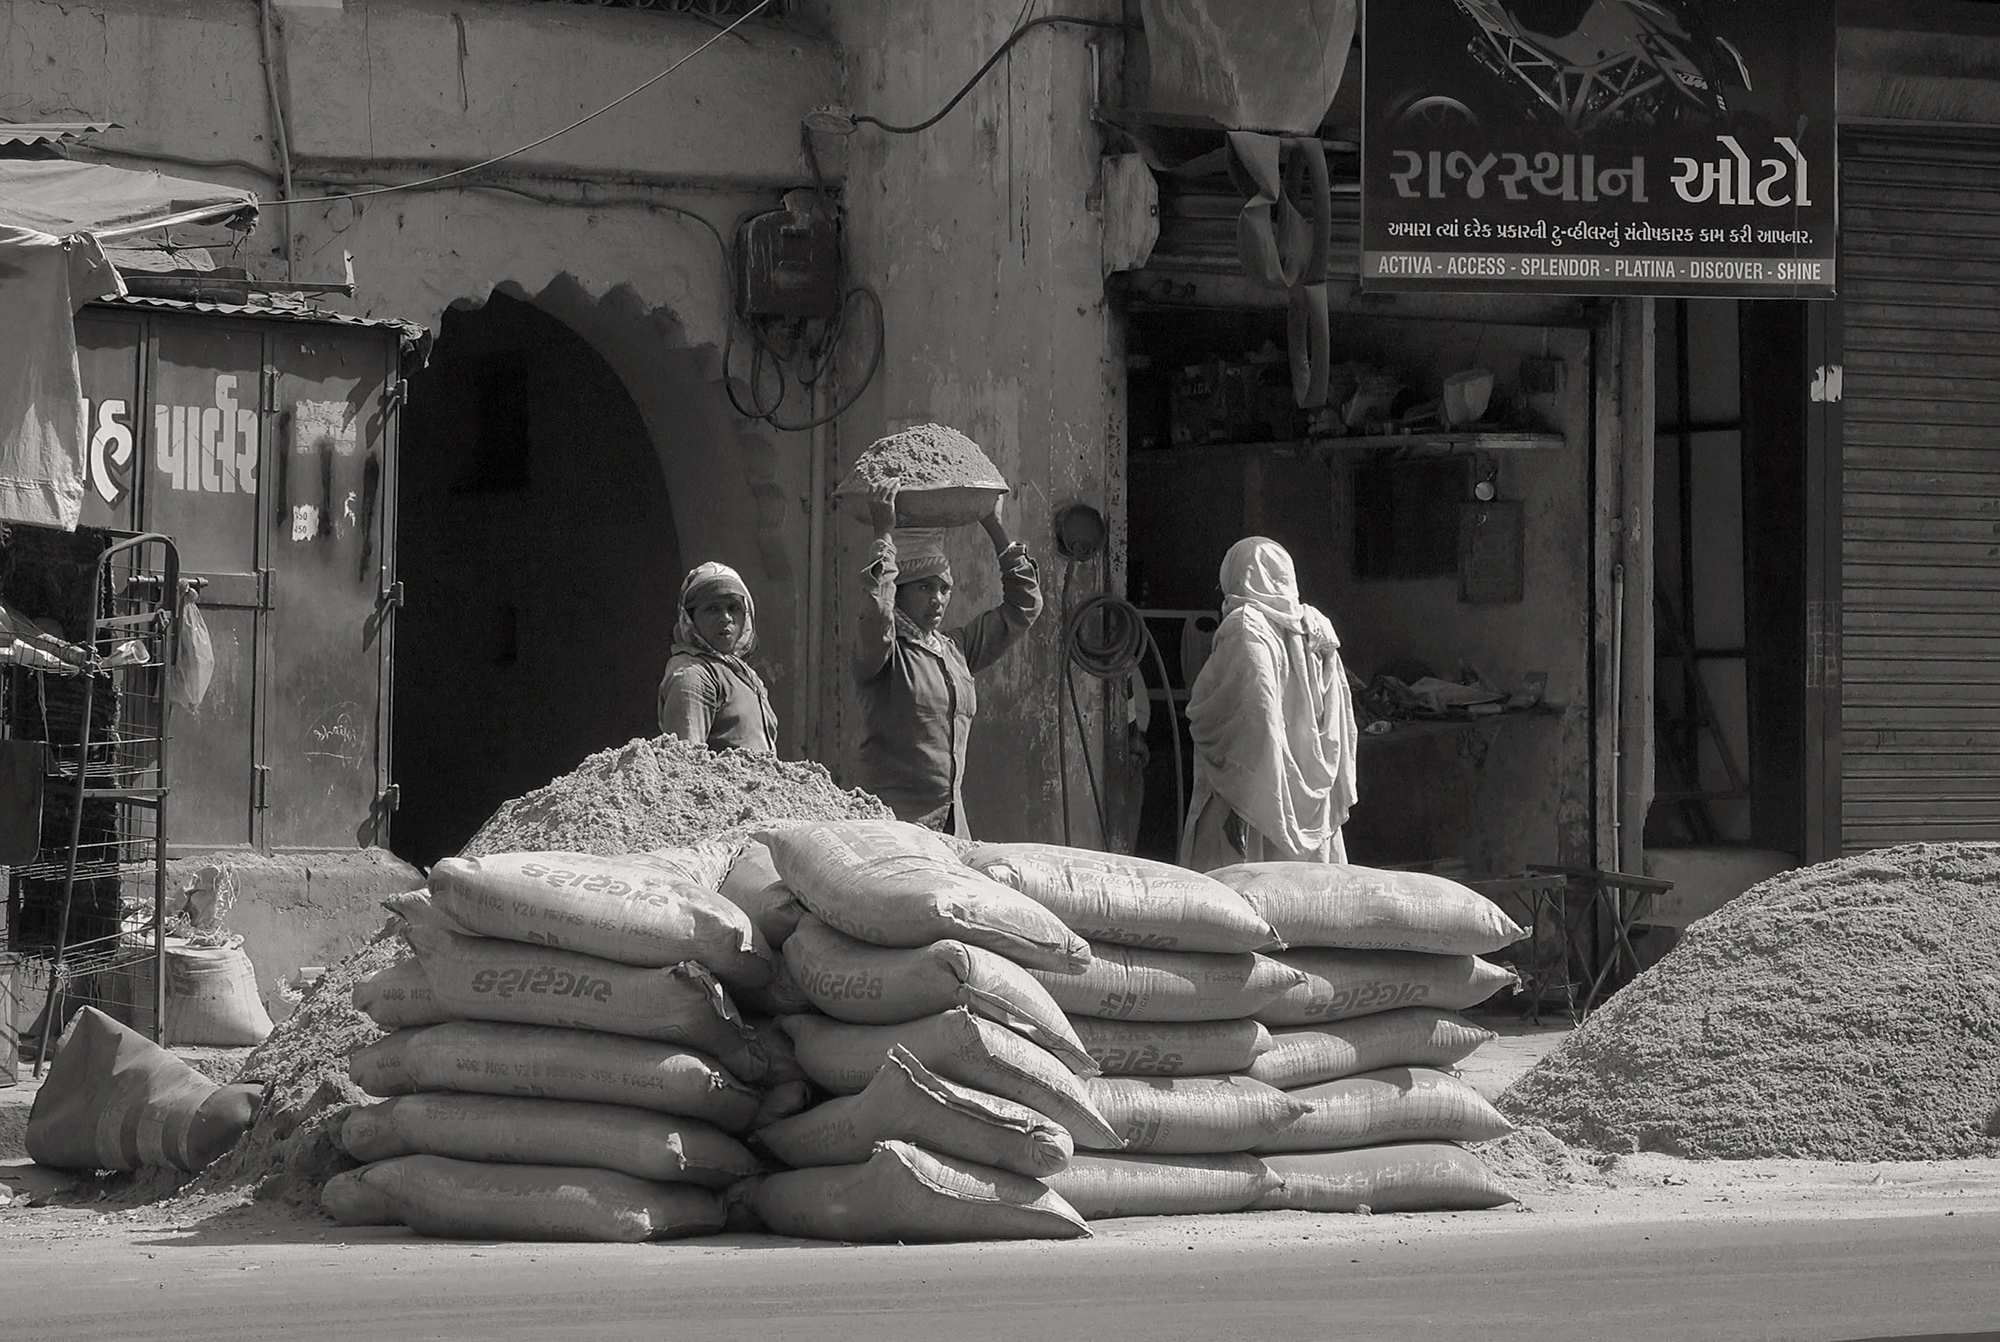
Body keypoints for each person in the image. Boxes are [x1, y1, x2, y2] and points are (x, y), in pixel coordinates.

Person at [854, 478, 1041, 837]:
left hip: (952, 828)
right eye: (925, 587)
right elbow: (878, 609)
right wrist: (884, 535)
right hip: (892, 828)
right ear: (900, 591)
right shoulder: (884, 652)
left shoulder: (955, 650)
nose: (938, 599)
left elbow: (1024, 607)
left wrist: (994, 526)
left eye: (944, 589)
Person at [1178, 536, 1360, 872]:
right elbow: (1339, 725)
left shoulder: (1245, 627)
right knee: (1306, 901)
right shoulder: (1315, 628)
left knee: (1240, 897)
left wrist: (1241, 806)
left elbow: (1254, 717)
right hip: (1309, 807)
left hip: (1251, 798)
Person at [658, 561, 778, 753]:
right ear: (690, 618)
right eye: (713, 609)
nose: (726, 618)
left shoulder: (743, 675)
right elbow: (684, 765)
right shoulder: (693, 675)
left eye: (734, 608)